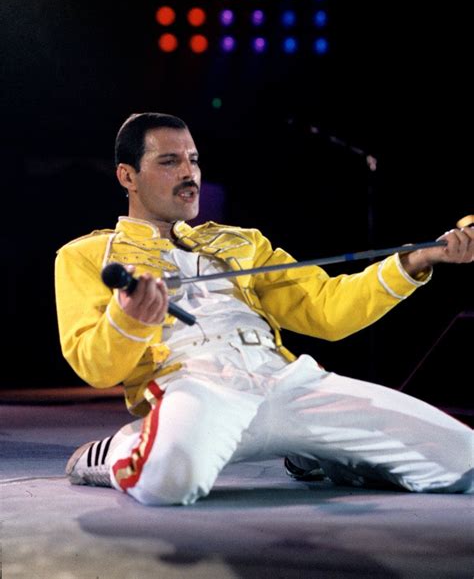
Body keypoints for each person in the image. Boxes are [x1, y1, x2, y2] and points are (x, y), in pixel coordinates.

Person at [55, 112, 473, 506]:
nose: (189, 173)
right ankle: (117, 451)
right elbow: (96, 367)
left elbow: (327, 310)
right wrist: (129, 319)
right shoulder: (87, 255)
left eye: (194, 160)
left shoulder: (242, 243)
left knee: (464, 459)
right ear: (127, 175)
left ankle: (314, 451)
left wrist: (415, 262)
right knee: (168, 481)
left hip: (286, 382)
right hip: (197, 389)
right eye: (170, 161)